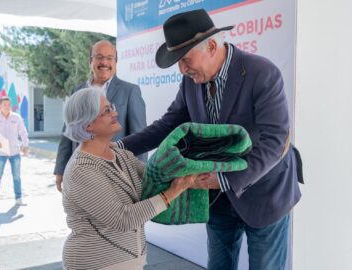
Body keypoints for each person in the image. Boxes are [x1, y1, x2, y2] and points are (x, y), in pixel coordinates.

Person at [115, 9, 302, 270]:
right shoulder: (191, 81)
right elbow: (167, 125)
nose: (182, 69)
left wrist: (225, 179)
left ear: (211, 46)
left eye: (185, 59)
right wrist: (119, 148)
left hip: (265, 192)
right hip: (216, 196)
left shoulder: (262, 73)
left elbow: (276, 140)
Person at [61, 87, 202, 270]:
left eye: (111, 107)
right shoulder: (82, 170)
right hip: (95, 263)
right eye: (107, 111)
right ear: (88, 125)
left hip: (131, 260)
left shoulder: (119, 154)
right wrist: (171, 193)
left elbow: (154, 178)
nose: (115, 113)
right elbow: (123, 219)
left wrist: (193, 176)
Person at [54, 40, 147, 192]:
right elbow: (67, 132)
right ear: (90, 61)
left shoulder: (130, 91)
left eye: (110, 58)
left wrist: (140, 177)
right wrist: (60, 168)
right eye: (99, 57)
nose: (104, 62)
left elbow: (140, 137)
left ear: (116, 63)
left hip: (115, 174)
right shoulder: (77, 91)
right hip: (79, 172)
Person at [0, 96, 29, 209]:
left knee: (16, 177)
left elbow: (23, 132)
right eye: (5, 104)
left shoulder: (16, 117)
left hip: (15, 152)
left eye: (9, 104)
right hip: (0, 152)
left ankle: (18, 198)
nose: (7, 106)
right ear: (0, 105)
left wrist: (25, 145)